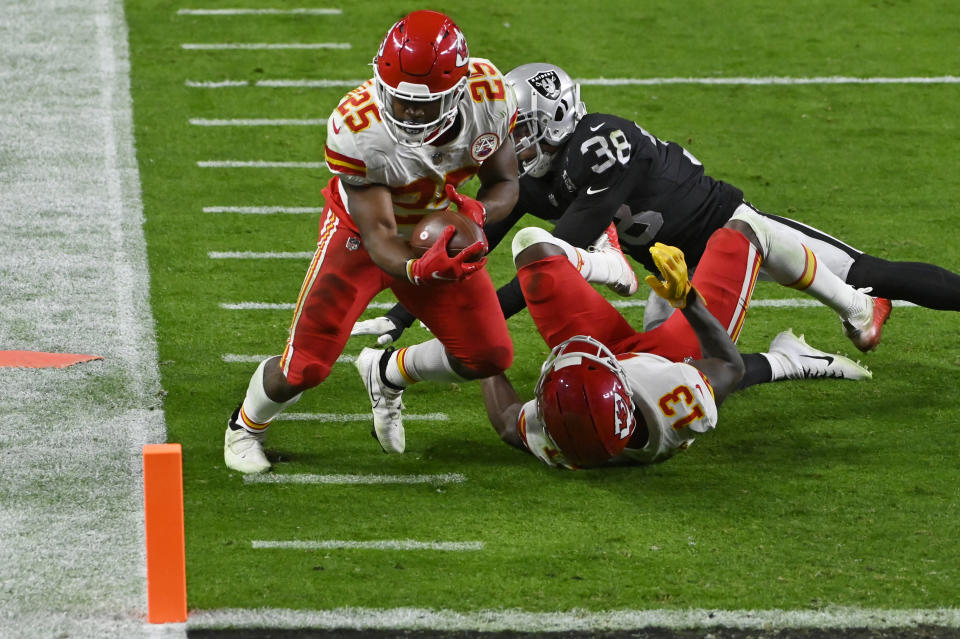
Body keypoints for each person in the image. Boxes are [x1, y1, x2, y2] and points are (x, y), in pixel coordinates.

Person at [356, 62, 960, 356]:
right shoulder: (533, 175)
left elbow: (558, 259)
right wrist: (414, 308)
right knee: (660, 358)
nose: (507, 141)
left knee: (865, 273)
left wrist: (476, 316)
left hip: (730, 231)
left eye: (519, 129)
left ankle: (858, 310)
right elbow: (478, 235)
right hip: (674, 265)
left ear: (553, 120)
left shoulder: (599, 145)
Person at [224, 10, 520, 473]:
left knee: (488, 355)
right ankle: (245, 427)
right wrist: (418, 268)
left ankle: (388, 372)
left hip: (433, 230)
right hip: (359, 236)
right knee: (306, 367)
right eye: (400, 100)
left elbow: (504, 182)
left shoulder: (490, 97)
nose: (410, 113)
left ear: (460, 92)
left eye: (425, 104)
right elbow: (379, 234)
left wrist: (472, 217)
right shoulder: (357, 127)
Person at [480, 212, 859, 468]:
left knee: (533, 249)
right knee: (745, 229)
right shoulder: (676, 400)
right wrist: (689, 302)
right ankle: (846, 317)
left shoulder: (559, 432)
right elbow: (730, 366)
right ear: (622, 389)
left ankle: (614, 263)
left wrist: (480, 345)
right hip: (671, 358)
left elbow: (505, 420)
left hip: (609, 381)